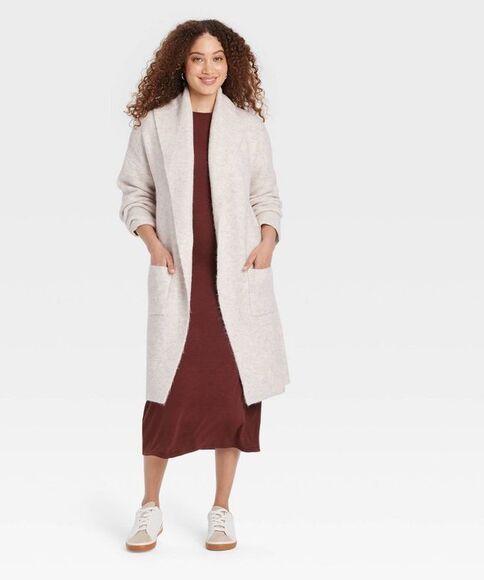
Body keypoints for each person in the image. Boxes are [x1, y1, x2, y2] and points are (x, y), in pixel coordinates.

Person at [117, 19, 290, 552]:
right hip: (180, 282)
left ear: (229, 64)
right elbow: (134, 193)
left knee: (232, 399)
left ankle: (222, 509)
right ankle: (150, 507)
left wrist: (268, 240)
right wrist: (153, 243)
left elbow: (267, 196)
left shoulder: (247, 128)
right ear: (182, 64)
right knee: (165, 398)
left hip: (235, 283)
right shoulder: (154, 125)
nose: (208, 68)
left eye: (217, 58)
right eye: (198, 58)